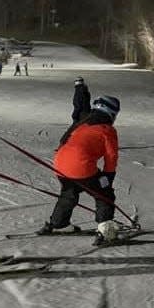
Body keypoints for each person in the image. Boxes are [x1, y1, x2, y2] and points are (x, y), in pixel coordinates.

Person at [37, 95, 121, 245]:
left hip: (60, 165)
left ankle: (59, 223)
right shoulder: (107, 130)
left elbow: (63, 141)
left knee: (70, 192)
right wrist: (108, 177)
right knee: (104, 194)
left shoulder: (82, 124)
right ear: (111, 113)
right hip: (81, 167)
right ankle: (105, 231)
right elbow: (111, 156)